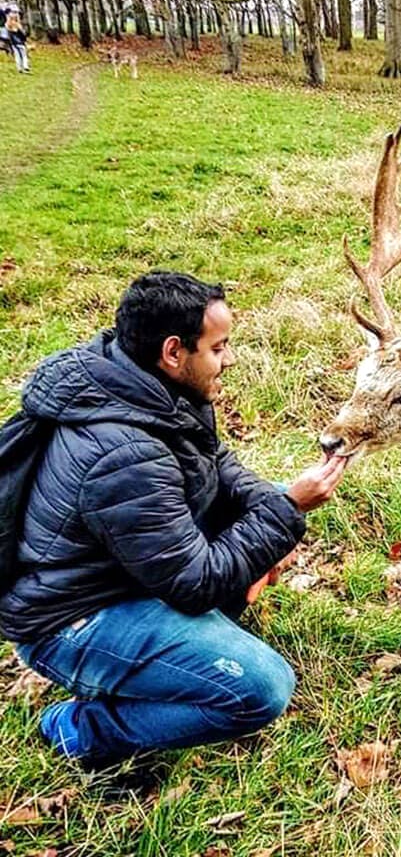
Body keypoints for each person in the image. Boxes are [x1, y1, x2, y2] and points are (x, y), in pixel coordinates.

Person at [0, 271, 347, 772]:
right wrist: (286, 512)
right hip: (71, 620)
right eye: (218, 347)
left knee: (266, 508)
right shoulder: (124, 453)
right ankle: (80, 731)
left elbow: (217, 465)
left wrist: (276, 508)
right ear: (173, 352)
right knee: (261, 687)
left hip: (120, 571)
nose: (229, 359)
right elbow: (196, 583)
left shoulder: (143, 386)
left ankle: (185, 653)